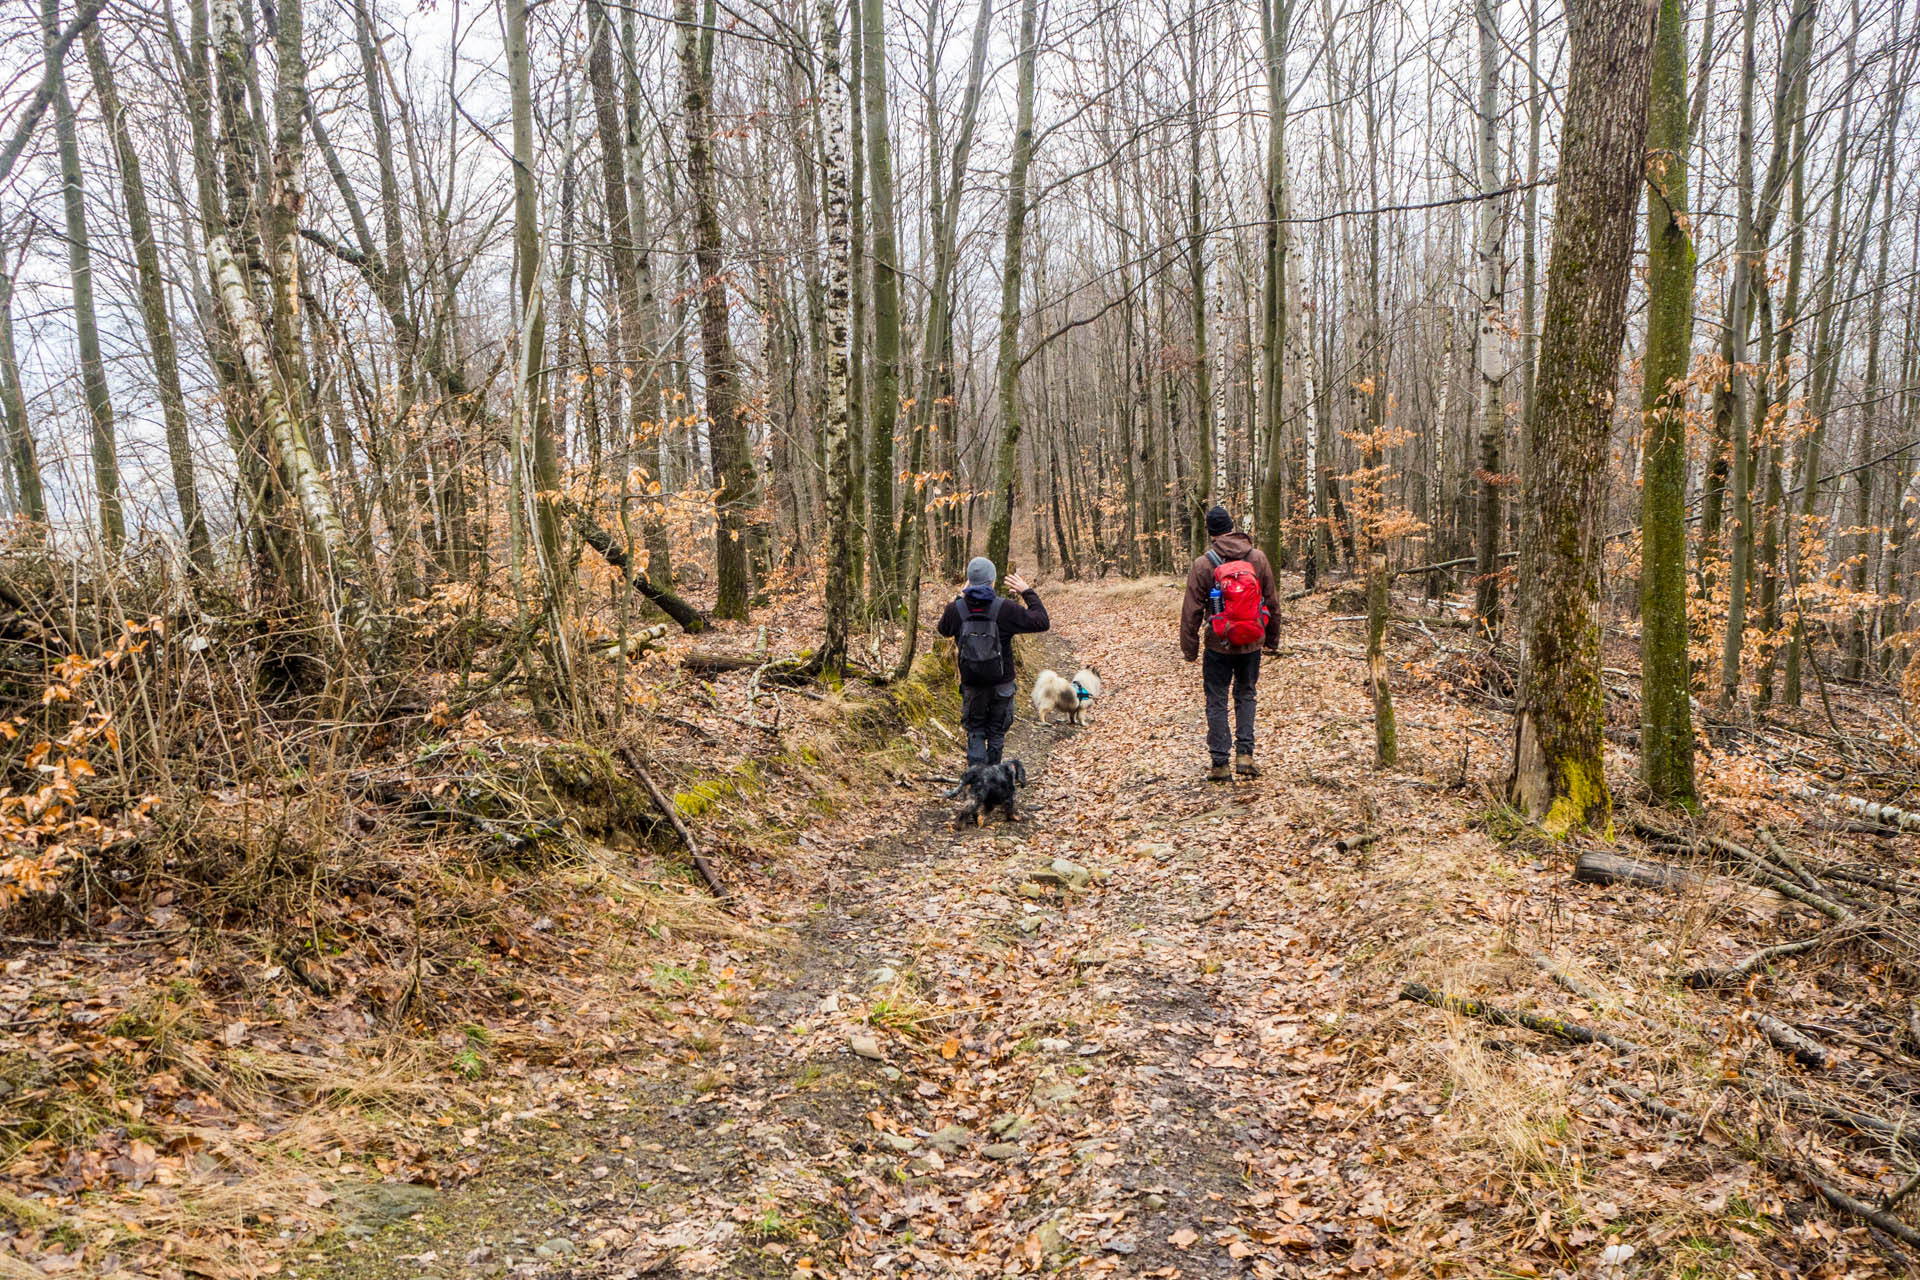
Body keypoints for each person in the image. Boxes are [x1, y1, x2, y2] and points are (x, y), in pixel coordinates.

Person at [1179, 506, 1280, 781]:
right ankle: (1245, 756)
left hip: (1218, 644)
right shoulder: (1257, 558)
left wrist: (1189, 648)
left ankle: (1220, 763)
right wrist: (1272, 639)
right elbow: (1271, 601)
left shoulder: (1203, 564)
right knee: (1246, 694)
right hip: (1251, 643)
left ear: (1210, 532)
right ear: (1232, 526)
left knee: (1216, 699)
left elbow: (1191, 610)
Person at [937, 557, 1050, 767]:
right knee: (997, 733)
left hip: (972, 685)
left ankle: (978, 783)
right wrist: (1027, 591)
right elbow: (1042, 621)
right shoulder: (1005, 608)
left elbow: (943, 629)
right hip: (1002, 684)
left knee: (975, 731)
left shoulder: (957, 609)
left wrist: (959, 596)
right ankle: (993, 782)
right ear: (993, 581)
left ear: (969, 581)